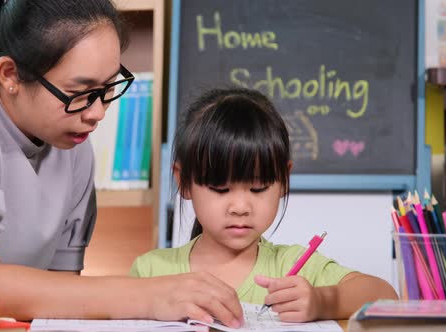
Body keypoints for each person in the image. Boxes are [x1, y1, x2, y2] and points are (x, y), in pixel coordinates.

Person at [0, 0, 244, 326]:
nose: (98, 112)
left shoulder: (74, 150)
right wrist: (150, 295)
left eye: (106, 90)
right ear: (10, 75)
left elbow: (64, 294)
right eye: (80, 94)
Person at [130, 87, 398, 323]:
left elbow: (385, 296)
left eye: (258, 188)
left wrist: (321, 301)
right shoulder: (151, 271)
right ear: (184, 182)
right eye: (220, 189)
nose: (240, 206)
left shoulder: (295, 266)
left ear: (283, 179)